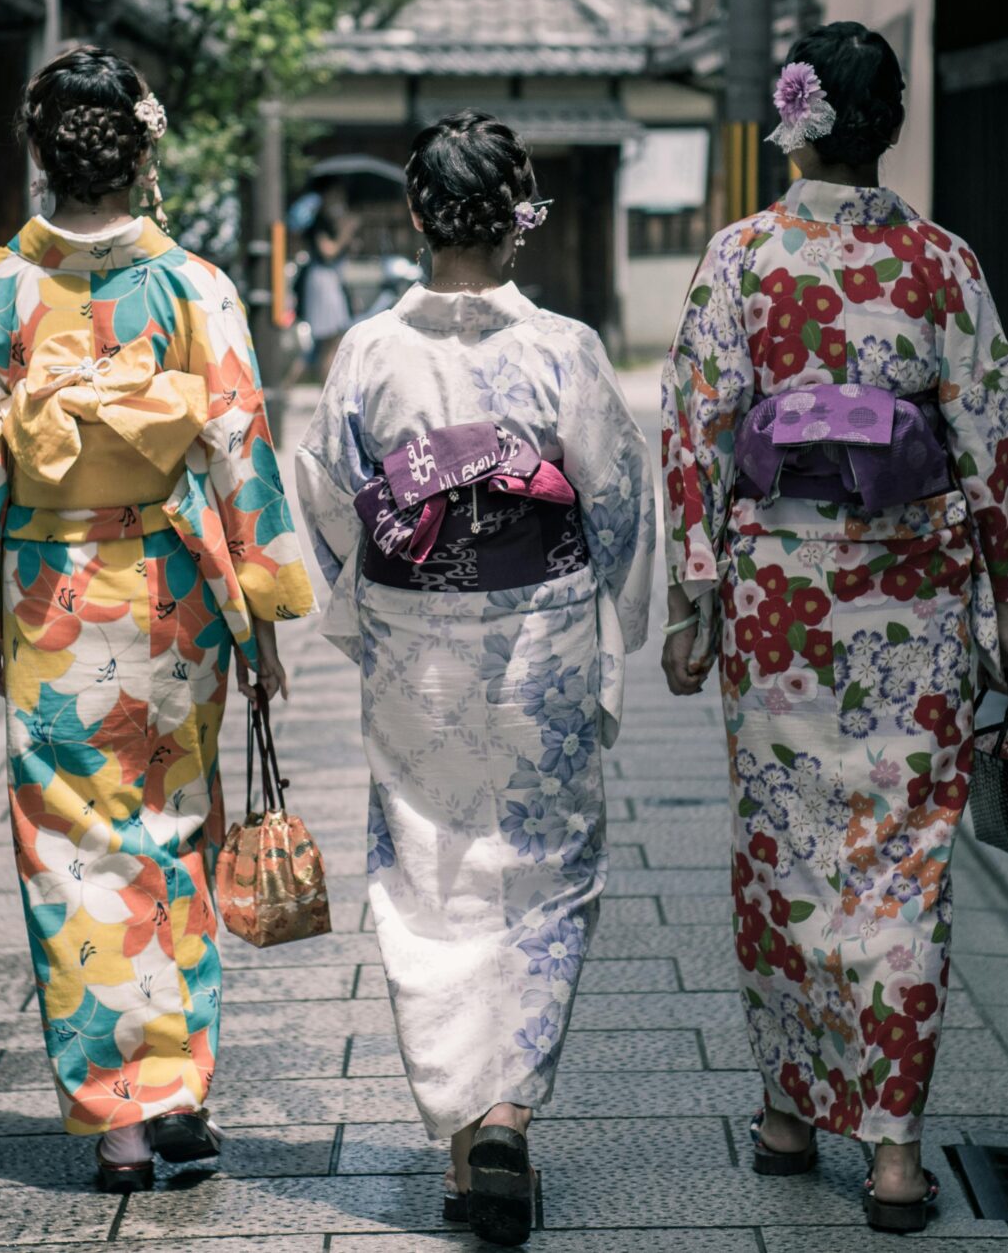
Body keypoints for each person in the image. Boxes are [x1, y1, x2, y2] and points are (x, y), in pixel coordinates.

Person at [659, 23, 1008, 1234]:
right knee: (902, 866)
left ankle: (791, 1112)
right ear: (887, 124)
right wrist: (1006, 605)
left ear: (791, 122)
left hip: (780, 604)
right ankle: (893, 1149)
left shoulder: (741, 259)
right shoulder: (940, 263)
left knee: (786, 852)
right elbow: (995, 434)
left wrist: (693, 606)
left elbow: (696, 436)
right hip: (912, 599)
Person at [0, 42, 313, 1194]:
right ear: (142, 152)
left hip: (49, 590)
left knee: (73, 852)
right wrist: (266, 608)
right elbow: (240, 443)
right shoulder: (194, 285)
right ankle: (180, 1088)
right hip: (176, 587)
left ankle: (121, 1125)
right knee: (174, 828)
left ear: (40, 153)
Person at [292, 114, 654, 1247]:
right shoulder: (564, 350)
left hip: (414, 634)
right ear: (518, 218)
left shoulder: (366, 353)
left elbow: (325, 496)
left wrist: (368, 604)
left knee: (429, 869)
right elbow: (616, 503)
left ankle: (463, 1140)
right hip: (539, 629)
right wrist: (621, 618)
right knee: (542, 874)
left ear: (414, 219)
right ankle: (507, 1111)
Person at [294, 185, 358, 382]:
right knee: (328, 341)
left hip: (330, 279)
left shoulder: (330, 222)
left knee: (334, 340)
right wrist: (346, 232)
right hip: (322, 282)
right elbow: (328, 251)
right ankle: (321, 387)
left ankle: (303, 383)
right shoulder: (318, 223)